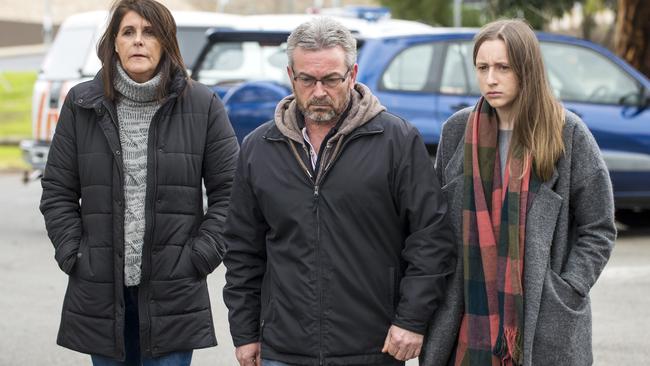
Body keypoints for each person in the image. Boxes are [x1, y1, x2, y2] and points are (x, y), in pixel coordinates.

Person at [222, 17, 456, 366]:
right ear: (291, 76)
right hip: (283, 350)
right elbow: (242, 250)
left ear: (353, 73)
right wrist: (245, 334)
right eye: (307, 79)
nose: (318, 92)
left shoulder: (396, 141)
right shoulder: (259, 148)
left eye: (331, 79)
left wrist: (410, 319)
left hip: (374, 347)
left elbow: (431, 238)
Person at [39, 0, 239, 365]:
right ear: (113, 43)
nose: (138, 41)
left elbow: (232, 193)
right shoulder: (82, 103)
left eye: (150, 32)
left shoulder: (203, 104)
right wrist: (74, 254)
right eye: (128, 32)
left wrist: (200, 256)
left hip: (173, 289)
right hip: (101, 288)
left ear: (166, 42)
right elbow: (57, 190)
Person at [421, 19, 616, 366]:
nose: (490, 79)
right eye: (482, 67)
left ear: (527, 69)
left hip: (542, 316)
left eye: (503, 67)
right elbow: (437, 224)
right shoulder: (457, 132)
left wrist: (568, 286)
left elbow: (598, 227)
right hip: (468, 312)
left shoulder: (567, 134)